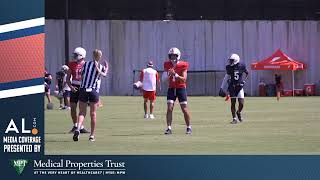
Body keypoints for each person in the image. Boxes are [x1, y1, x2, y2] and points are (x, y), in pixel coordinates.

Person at [73, 49, 107, 142]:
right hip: (93, 91)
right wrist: (106, 69)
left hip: (83, 89)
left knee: (82, 112)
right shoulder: (100, 66)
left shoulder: (85, 64)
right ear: (100, 56)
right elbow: (104, 75)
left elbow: (81, 75)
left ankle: (77, 128)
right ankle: (92, 136)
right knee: (93, 114)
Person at [163, 47, 192, 134]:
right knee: (169, 108)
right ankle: (168, 128)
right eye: (171, 56)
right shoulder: (167, 64)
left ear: (178, 56)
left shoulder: (183, 64)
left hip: (181, 88)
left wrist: (175, 74)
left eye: (174, 56)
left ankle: (188, 127)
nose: (172, 58)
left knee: (184, 109)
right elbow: (164, 78)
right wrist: (168, 74)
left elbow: (184, 79)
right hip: (171, 88)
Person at [66, 47, 89, 133]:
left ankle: (80, 126)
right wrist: (71, 87)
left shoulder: (86, 64)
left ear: (82, 56)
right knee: (73, 107)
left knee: (82, 109)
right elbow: (68, 79)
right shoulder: (71, 64)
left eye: (76, 55)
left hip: (83, 87)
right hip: (74, 86)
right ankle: (75, 125)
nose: (74, 56)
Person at [223, 53, 249, 124]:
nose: (230, 62)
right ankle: (234, 118)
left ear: (236, 60)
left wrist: (244, 81)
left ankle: (238, 112)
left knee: (241, 103)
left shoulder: (242, 66)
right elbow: (227, 77)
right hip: (232, 86)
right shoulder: (229, 67)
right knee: (233, 103)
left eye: (232, 60)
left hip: (239, 87)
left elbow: (247, 73)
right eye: (230, 60)